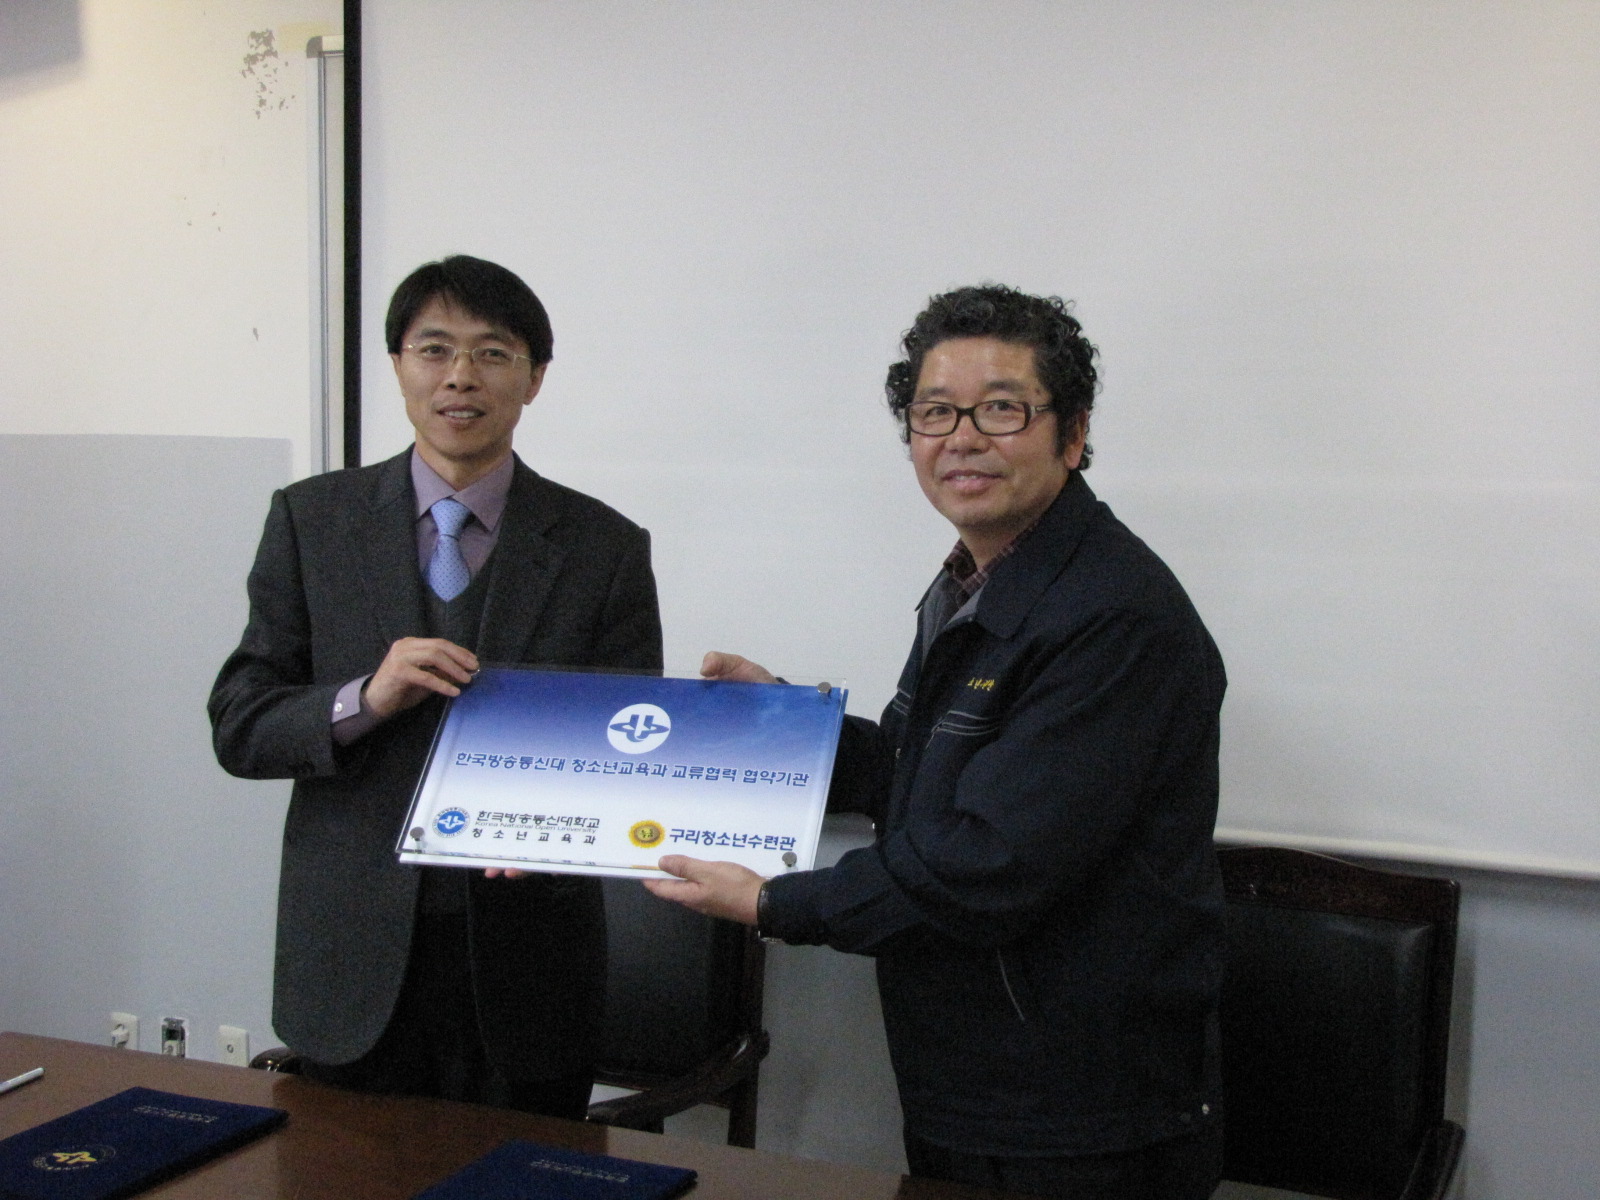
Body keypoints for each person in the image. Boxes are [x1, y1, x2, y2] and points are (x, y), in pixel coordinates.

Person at [646, 285, 1225, 1199]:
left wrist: (773, 902)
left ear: (1072, 434)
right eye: (935, 411)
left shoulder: (1115, 615)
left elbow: (991, 861)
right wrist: (789, 732)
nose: (962, 437)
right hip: (973, 1075)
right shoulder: (975, 582)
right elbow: (918, 775)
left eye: (1002, 409)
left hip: (1078, 1108)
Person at [209, 254, 662, 1117]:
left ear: (534, 378)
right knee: (343, 1174)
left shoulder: (604, 546)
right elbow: (240, 724)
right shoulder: (311, 521)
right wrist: (363, 699)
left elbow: (628, 747)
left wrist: (564, 823)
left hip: (530, 959)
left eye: (493, 353)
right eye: (435, 349)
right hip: (348, 957)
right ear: (398, 366)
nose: (461, 376)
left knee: (523, 1172)